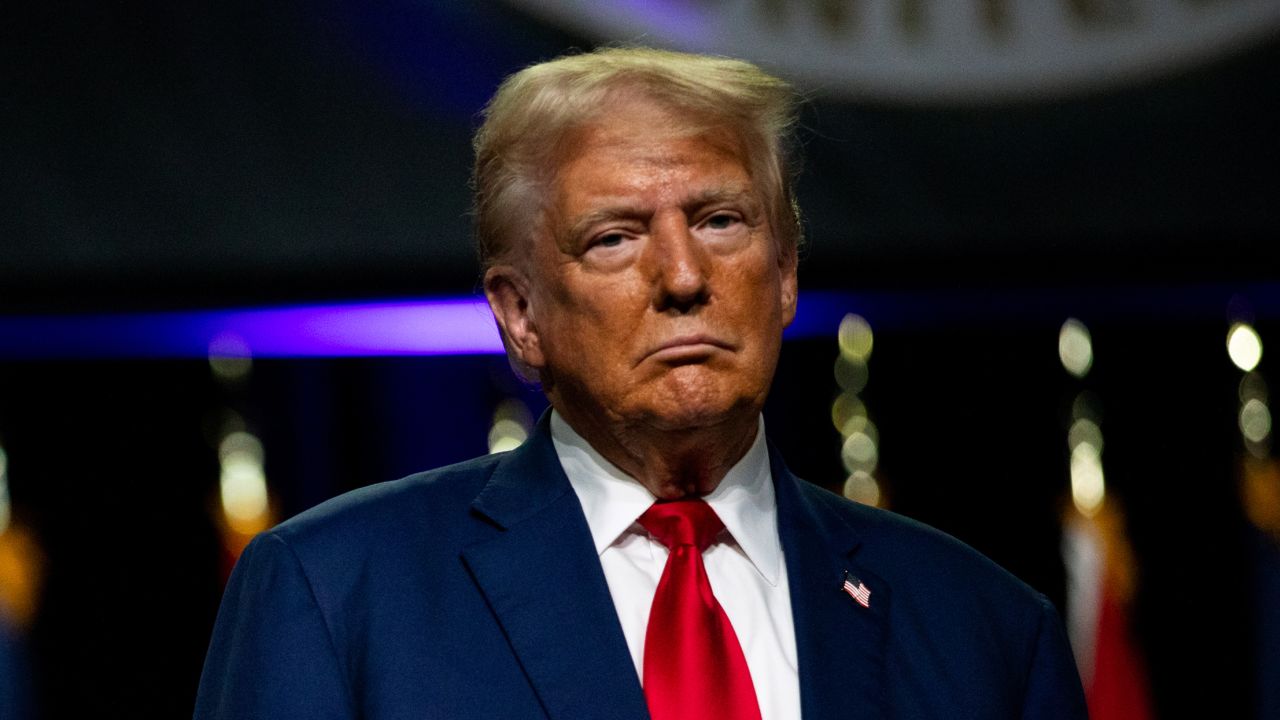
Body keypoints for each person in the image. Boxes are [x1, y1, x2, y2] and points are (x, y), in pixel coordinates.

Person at [194, 47, 1086, 719]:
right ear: (520, 315)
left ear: (785, 276)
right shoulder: (336, 595)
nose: (684, 275)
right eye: (615, 236)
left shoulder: (986, 628)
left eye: (722, 220)